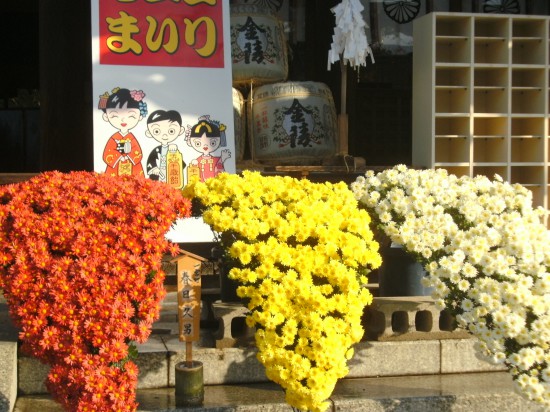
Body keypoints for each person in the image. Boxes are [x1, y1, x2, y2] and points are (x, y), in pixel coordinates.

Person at [98, 88, 147, 176]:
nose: (123, 119)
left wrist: (128, 156)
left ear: (139, 116)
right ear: (106, 116)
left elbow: (138, 153)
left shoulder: (132, 138)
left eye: (131, 116)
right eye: (114, 116)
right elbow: (107, 154)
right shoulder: (113, 138)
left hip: (131, 166)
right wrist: (120, 156)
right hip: (116, 167)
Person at [145, 109, 186, 188]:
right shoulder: (156, 150)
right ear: (149, 133)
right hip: (158, 175)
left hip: (171, 174)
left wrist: (174, 153)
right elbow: (151, 161)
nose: (164, 135)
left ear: (180, 130)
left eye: (171, 131)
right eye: (157, 131)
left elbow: (181, 165)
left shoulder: (174, 150)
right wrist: (154, 169)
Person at [185, 115, 231, 182]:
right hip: (200, 188)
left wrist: (222, 158)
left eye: (212, 143)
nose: (205, 146)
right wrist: (194, 165)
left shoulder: (215, 159)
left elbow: (219, 171)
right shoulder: (198, 160)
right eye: (198, 143)